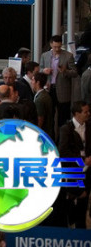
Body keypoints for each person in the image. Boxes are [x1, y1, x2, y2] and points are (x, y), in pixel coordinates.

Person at [58, 101, 91, 229]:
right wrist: (83, 160)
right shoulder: (66, 129)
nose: (88, 114)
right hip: (73, 173)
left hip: (88, 172)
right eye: (85, 112)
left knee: (84, 204)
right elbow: (63, 152)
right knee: (72, 205)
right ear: (76, 114)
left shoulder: (89, 127)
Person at [40, 35, 78, 125]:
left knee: (63, 117)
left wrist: (65, 71)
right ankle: (51, 133)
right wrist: (44, 71)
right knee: (49, 116)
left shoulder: (68, 56)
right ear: (51, 45)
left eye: (59, 47)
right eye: (55, 47)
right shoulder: (45, 55)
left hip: (63, 90)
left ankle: (62, 133)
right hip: (48, 88)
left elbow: (75, 73)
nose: (57, 49)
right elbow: (40, 69)